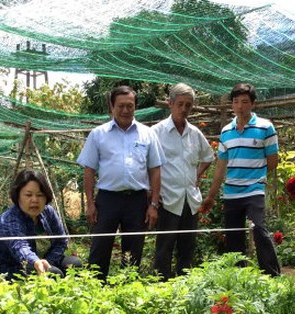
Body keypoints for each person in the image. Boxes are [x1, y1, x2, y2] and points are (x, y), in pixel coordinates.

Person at [77, 85, 165, 280]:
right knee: (100, 249)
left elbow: (155, 170)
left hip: (137, 201)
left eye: (130, 106)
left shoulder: (147, 134)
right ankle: (95, 293)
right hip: (107, 200)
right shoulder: (98, 134)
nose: (126, 110)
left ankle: (128, 292)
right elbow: (89, 170)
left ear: (135, 107)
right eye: (121, 106)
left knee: (133, 252)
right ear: (112, 106)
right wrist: (90, 203)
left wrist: (153, 205)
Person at [200, 83, 280, 277]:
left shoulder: (265, 127)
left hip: (254, 190)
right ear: (232, 105)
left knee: (259, 229)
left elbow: (273, 161)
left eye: (244, 102)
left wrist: (255, 175)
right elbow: (220, 168)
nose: (240, 106)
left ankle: (272, 277)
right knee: (233, 236)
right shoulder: (226, 131)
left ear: (253, 104)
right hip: (231, 192)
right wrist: (211, 196)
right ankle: (238, 279)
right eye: (236, 102)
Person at [151, 83, 215, 280]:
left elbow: (209, 156)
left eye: (188, 105)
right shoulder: (156, 132)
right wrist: (151, 194)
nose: (184, 109)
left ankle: (184, 287)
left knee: (187, 247)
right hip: (168, 198)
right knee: (164, 248)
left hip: (190, 200)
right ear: (170, 103)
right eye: (180, 104)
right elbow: (147, 164)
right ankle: (161, 288)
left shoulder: (194, 133)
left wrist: (197, 175)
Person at [0, 169, 82, 279]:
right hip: (9, 269)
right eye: (28, 195)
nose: (35, 200)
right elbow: (19, 245)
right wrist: (36, 262)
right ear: (18, 196)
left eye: (40, 195)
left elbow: (61, 241)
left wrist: (48, 262)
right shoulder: (9, 219)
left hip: (41, 262)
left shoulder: (48, 212)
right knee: (53, 274)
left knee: (74, 264)